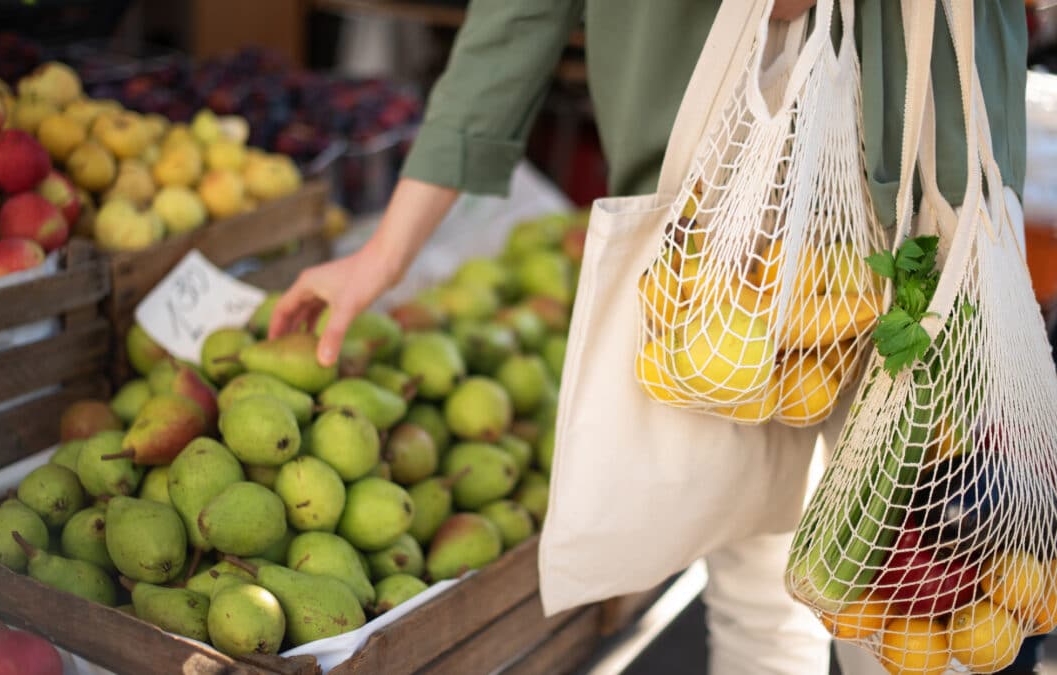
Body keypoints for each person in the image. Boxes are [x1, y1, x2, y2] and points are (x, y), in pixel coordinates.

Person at [270, 2, 1029, 673]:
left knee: (920, 602)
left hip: (930, 181)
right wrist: (386, 252)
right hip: (721, 213)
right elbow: (518, 16)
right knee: (763, 587)